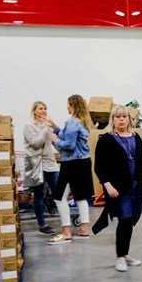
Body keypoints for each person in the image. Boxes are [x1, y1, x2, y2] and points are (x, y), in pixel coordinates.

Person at [93, 105, 142, 272]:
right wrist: (107, 185)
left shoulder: (135, 137)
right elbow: (99, 167)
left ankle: (125, 253)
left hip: (135, 187)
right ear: (113, 120)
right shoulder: (106, 139)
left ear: (129, 119)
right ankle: (120, 256)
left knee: (131, 219)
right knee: (124, 219)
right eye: (118, 117)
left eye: (124, 116)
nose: (122, 119)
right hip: (119, 188)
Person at [41, 95, 94, 244]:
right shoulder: (83, 122)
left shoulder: (72, 123)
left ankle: (66, 232)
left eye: (68, 105)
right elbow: (70, 137)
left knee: (59, 197)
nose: (67, 107)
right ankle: (84, 228)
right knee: (81, 196)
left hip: (72, 164)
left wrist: (54, 139)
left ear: (72, 105)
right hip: (83, 162)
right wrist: (55, 126)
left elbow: (69, 145)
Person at [23, 101, 59, 236]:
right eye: (40, 108)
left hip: (50, 163)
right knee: (39, 194)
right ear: (34, 111)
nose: (43, 111)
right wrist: (45, 128)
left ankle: (50, 203)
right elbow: (36, 143)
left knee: (59, 192)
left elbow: (54, 141)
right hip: (37, 164)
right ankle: (42, 224)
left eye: (45, 108)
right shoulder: (29, 126)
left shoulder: (48, 126)